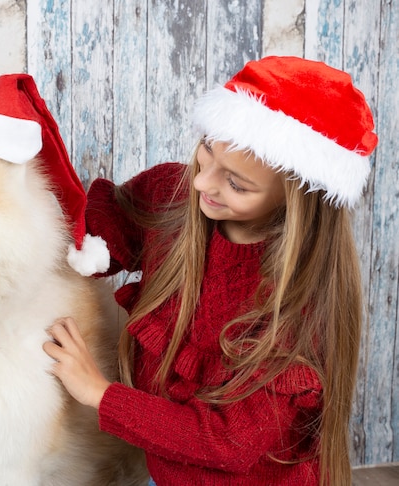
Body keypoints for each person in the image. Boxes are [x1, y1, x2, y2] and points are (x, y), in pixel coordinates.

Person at [43, 56, 378, 485]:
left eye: (236, 183)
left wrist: (98, 393)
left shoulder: (295, 306)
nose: (202, 182)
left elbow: (226, 442)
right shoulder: (174, 196)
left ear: (294, 202)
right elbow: (99, 230)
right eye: (207, 149)